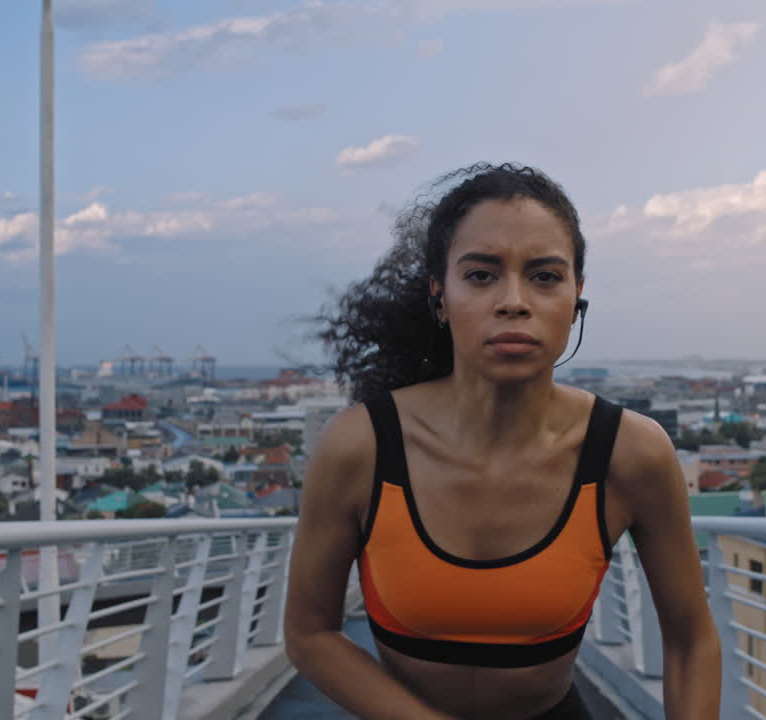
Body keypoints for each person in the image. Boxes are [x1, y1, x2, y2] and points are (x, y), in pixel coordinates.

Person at [285, 163, 721, 719]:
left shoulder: (628, 453)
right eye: (481, 275)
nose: (514, 300)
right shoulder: (362, 447)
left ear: (577, 296)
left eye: (544, 276)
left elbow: (690, 639)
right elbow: (309, 634)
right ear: (439, 296)